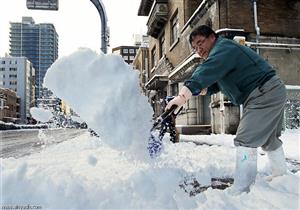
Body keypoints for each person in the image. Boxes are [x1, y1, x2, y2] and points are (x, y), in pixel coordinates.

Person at [165, 25, 287, 195]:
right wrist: (200, 90)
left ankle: (243, 189)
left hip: (263, 92)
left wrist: (182, 95)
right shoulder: (222, 54)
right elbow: (215, 82)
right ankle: (281, 176)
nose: (198, 50)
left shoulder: (223, 49)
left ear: (212, 38)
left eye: (201, 43)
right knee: (269, 139)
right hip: (269, 91)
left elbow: (206, 70)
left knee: (245, 140)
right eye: (195, 47)